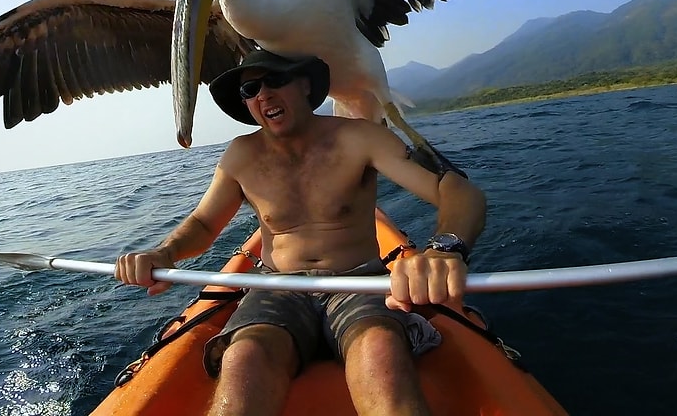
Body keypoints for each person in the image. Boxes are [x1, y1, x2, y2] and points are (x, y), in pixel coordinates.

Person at [114, 50, 486, 416]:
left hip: (358, 285)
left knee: (379, 351)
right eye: (250, 89)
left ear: (306, 85)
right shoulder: (240, 155)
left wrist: (444, 249)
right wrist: (165, 252)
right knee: (244, 357)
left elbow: (456, 191)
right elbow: (204, 224)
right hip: (279, 288)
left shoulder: (361, 138)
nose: (263, 94)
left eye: (275, 80)